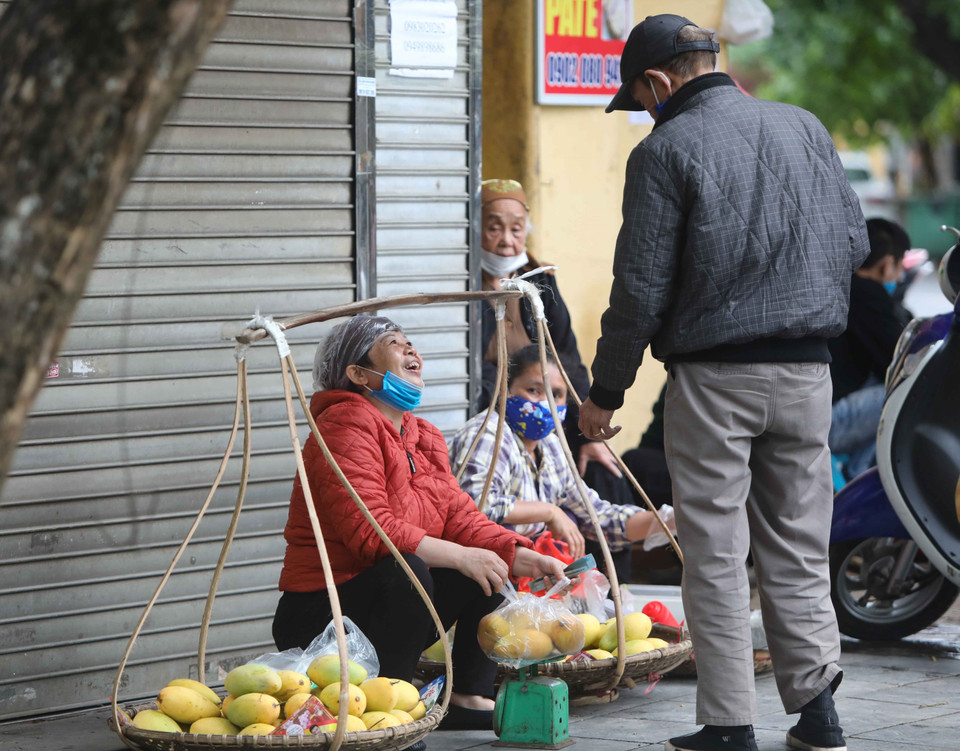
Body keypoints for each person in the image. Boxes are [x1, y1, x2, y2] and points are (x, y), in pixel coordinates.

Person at [578, 15, 869, 751]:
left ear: (657, 82)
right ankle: (818, 717)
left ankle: (729, 724)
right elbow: (856, 242)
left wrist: (604, 393)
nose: (645, 111)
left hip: (714, 378)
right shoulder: (804, 125)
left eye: (641, 99)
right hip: (808, 374)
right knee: (800, 546)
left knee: (713, 549)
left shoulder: (664, 149)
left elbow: (639, 288)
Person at [272, 315, 570, 731]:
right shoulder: (342, 426)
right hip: (323, 611)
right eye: (395, 343)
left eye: (411, 342)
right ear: (359, 374)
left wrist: (520, 554)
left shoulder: (421, 434)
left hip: (381, 604)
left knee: (486, 563)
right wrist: (460, 555)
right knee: (407, 567)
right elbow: (369, 529)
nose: (412, 350)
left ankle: (469, 694)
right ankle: (387, 710)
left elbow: (458, 514)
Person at [450, 344, 674, 585]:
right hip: (481, 574)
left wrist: (670, 521)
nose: (545, 403)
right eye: (533, 390)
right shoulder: (488, 435)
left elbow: (596, 516)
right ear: (507, 390)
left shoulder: (551, 445)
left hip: (527, 573)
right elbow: (474, 506)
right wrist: (550, 512)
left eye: (555, 394)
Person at [478, 178, 629, 498]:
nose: (506, 241)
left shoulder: (539, 279)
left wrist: (589, 435)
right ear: (474, 230)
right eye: (494, 228)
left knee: (605, 475)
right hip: (492, 416)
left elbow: (567, 358)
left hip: (545, 409)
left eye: (516, 230)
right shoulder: (461, 283)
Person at [828, 218, 911, 480]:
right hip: (829, 421)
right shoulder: (868, 295)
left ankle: (857, 472)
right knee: (907, 394)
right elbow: (901, 359)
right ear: (888, 263)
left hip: (814, 408)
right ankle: (860, 476)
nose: (898, 277)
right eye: (899, 267)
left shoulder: (840, 284)